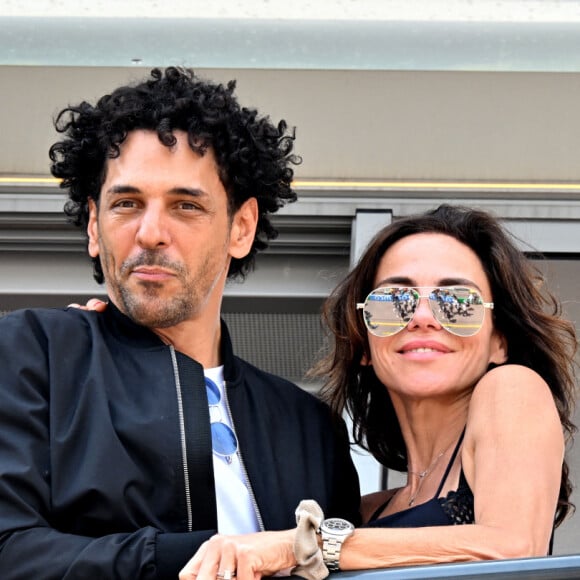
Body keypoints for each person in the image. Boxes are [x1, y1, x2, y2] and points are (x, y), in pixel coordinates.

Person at [0, 67, 360, 579]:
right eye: (126, 204)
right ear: (93, 227)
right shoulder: (31, 355)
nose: (150, 233)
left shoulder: (308, 426)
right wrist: (199, 555)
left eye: (185, 205)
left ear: (241, 227)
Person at [179, 204, 577, 579]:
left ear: (499, 342)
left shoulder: (512, 387)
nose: (422, 317)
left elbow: (513, 546)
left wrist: (301, 545)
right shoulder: (367, 512)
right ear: (364, 343)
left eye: (457, 302)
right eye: (392, 301)